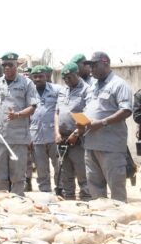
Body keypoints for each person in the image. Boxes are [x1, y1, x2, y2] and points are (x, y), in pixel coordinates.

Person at [0, 52, 38, 196]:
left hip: (18, 137)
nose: (7, 68)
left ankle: (17, 202)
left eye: (10, 65)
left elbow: (33, 107)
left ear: (17, 66)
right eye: (4, 65)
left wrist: (18, 115)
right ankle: (2, 201)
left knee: (17, 174)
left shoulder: (27, 83)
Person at [82, 52, 132, 202]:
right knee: (95, 186)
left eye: (94, 65)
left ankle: (120, 219)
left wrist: (102, 122)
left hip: (110, 146)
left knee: (116, 188)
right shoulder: (92, 86)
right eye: (90, 66)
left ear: (106, 63)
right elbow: (89, 109)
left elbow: (126, 110)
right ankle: (102, 219)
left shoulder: (118, 84)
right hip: (91, 144)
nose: (91, 69)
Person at [54, 62, 90, 200]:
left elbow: (88, 114)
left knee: (82, 171)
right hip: (62, 138)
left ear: (77, 74)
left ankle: (86, 197)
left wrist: (76, 133)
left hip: (79, 138)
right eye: (64, 78)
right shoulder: (63, 90)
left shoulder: (87, 90)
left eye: (69, 77)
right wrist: (56, 132)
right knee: (65, 171)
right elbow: (57, 112)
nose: (67, 80)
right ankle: (69, 197)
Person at [30, 65, 61, 192]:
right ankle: (45, 191)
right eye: (35, 77)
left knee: (59, 165)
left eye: (40, 76)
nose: (37, 79)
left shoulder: (57, 90)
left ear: (46, 76)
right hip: (36, 135)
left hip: (53, 135)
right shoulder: (29, 92)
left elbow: (60, 111)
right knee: (41, 168)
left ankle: (60, 188)